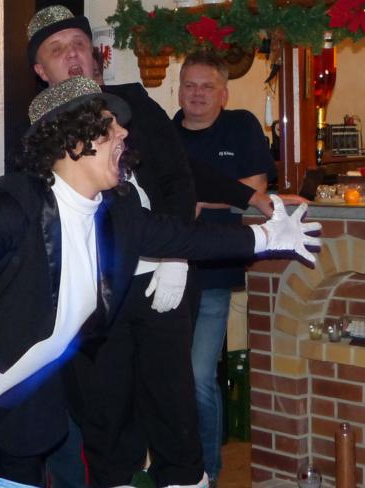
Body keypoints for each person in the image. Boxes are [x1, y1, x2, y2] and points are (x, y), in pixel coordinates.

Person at [0, 77, 319, 488]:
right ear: (73, 140)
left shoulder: (118, 212)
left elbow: (187, 237)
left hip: (24, 384)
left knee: (20, 476)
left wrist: (266, 237)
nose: (124, 132)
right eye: (109, 125)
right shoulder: (18, 201)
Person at [26, 7, 310, 488]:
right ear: (41, 70)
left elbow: (182, 172)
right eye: (57, 50)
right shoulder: (41, 133)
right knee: (106, 416)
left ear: (95, 55)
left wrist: (243, 207)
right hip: (95, 295)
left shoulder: (132, 103)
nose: (72, 55)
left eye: (79, 44)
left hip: (164, 278)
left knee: (174, 407)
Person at [172, 51, 276, 486]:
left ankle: (209, 472)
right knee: (171, 378)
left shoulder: (241, 125)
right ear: (179, 89)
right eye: (190, 85)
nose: (197, 94)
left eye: (207, 86)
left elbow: (255, 189)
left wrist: (199, 199)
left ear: (223, 94)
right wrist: (217, 197)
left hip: (215, 271)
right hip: (167, 270)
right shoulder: (166, 134)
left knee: (198, 376)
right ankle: (179, 467)